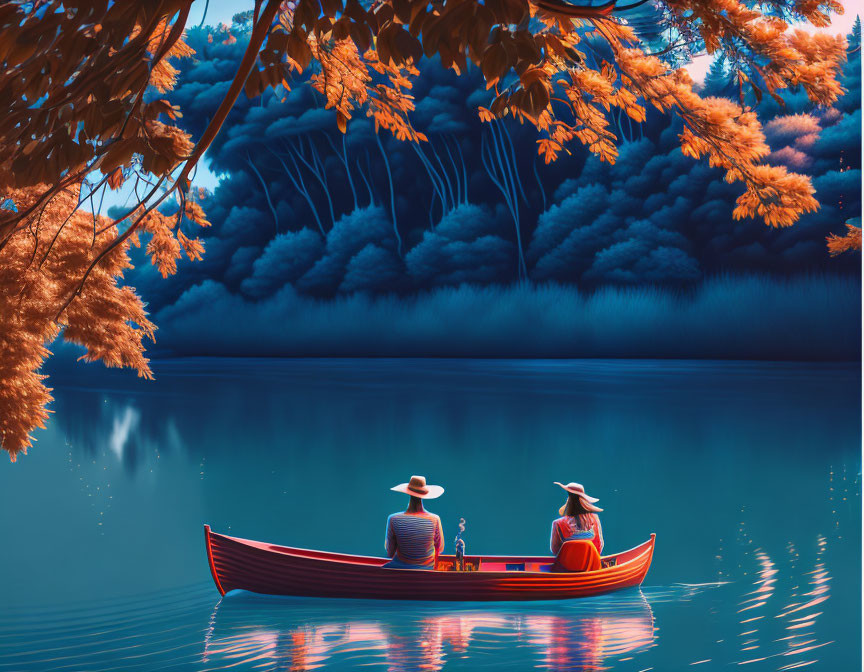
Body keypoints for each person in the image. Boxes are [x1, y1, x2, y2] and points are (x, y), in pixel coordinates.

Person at [384, 475, 445, 569]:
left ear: (408, 493)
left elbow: (389, 553)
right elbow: (440, 549)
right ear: (424, 495)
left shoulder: (393, 519)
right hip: (427, 570)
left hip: (400, 570)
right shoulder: (435, 519)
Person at [550, 481, 604, 556]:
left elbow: (555, 550)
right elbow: (599, 547)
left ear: (569, 499)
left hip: (566, 565)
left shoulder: (557, 523)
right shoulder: (595, 518)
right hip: (591, 564)